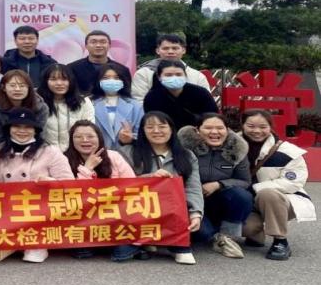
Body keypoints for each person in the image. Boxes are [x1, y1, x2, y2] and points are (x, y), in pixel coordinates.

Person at [0, 109, 74, 263]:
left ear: (35, 130)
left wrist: (50, 182)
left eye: (27, 127)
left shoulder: (50, 151)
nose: (22, 131)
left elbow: (70, 184)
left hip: (41, 208)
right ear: (9, 129)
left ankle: (37, 243)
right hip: (8, 206)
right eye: (17, 126)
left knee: (32, 254)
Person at [117, 112, 203, 264]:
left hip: (174, 211)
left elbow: (193, 187)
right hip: (138, 211)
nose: (156, 131)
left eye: (162, 126)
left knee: (204, 231)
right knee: (120, 254)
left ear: (171, 129)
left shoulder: (187, 155)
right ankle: (148, 241)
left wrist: (196, 213)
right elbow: (119, 185)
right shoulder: (127, 152)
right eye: (150, 127)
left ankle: (175, 246)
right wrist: (150, 178)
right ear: (142, 130)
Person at [240, 109, 314, 261]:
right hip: (250, 202)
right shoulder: (231, 145)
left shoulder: (288, 151)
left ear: (271, 127)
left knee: (268, 193)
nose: (256, 131)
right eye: (251, 126)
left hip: (283, 202)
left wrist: (254, 188)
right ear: (242, 125)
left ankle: (280, 241)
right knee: (244, 228)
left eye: (263, 127)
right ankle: (255, 234)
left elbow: (293, 182)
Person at [178, 114, 253, 259]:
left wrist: (218, 184)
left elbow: (244, 181)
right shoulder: (184, 148)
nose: (214, 132)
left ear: (227, 130)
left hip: (220, 198)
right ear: (197, 130)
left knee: (243, 196)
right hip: (192, 201)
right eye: (208, 128)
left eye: (220, 128)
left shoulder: (237, 149)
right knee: (202, 234)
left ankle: (228, 237)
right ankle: (211, 233)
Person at [63, 120, 136, 260]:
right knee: (82, 252)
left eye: (90, 136)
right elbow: (68, 194)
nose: (85, 140)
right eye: (78, 136)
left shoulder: (114, 156)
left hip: (116, 218)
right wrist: (86, 169)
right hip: (83, 221)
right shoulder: (64, 159)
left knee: (121, 254)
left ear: (99, 138)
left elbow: (132, 187)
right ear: (72, 140)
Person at [0, 70, 49, 167]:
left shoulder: (40, 107)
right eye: (12, 85)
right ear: (3, 87)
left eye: (22, 86)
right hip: (2, 155)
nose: (17, 89)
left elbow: (40, 136)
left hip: (34, 155)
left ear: (29, 88)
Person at [130, 34, 211, 102]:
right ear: (157, 50)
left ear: (183, 50)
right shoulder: (144, 74)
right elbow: (139, 101)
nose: (170, 52)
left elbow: (206, 102)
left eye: (175, 48)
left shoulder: (197, 76)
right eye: (165, 48)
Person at [142, 60, 219, 131]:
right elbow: (153, 122)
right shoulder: (152, 97)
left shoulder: (201, 93)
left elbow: (213, 117)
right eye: (168, 75)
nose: (174, 78)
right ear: (159, 77)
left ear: (185, 76)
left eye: (178, 74)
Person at [39, 64, 95, 151]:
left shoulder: (83, 102)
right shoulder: (38, 103)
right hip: (45, 153)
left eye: (64, 79)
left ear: (71, 81)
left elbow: (89, 130)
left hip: (75, 153)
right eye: (53, 79)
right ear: (45, 82)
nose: (59, 83)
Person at [90, 62, 143, 149]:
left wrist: (130, 138)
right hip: (96, 152)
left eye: (116, 78)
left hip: (126, 153)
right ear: (98, 81)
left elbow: (141, 134)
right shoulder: (89, 104)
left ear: (123, 81)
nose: (111, 81)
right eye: (105, 78)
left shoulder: (135, 105)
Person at [66, 30, 117, 96]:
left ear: (109, 46)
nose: (98, 45)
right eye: (93, 42)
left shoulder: (121, 69)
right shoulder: (71, 68)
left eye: (103, 42)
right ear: (86, 46)